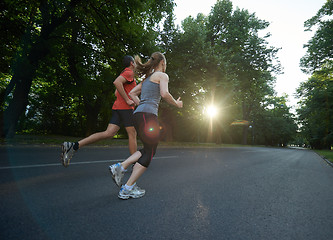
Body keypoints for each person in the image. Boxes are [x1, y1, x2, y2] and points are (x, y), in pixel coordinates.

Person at [109, 52, 183, 200]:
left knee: (147, 149)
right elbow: (164, 93)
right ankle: (127, 188)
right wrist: (177, 103)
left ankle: (121, 168)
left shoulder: (148, 79)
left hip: (138, 115)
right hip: (148, 117)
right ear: (162, 62)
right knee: (149, 152)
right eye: (165, 63)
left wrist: (141, 105)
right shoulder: (162, 76)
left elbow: (133, 94)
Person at [61, 55, 137, 167]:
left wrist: (126, 97)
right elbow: (116, 83)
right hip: (125, 108)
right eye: (134, 62)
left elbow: (117, 92)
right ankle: (135, 163)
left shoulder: (124, 73)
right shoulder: (129, 72)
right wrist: (127, 100)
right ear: (131, 63)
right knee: (133, 134)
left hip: (118, 107)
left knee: (108, 133)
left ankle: (74, 146)